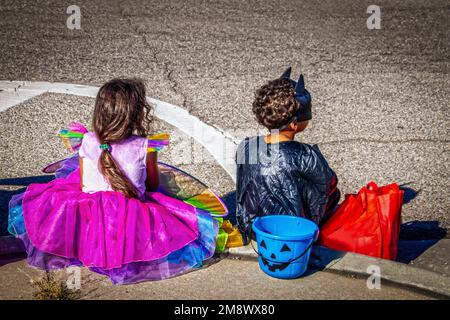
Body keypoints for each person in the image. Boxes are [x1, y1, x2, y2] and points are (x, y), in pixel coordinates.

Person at [8, 78, 219, 285]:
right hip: (130, 218)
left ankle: (83, 247)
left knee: (67, 197)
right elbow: (152, 186)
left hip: (86, 214)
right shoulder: (145, 146)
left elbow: (83, 185)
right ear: (136, 115)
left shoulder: (87, 140)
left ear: (100, 113)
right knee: (176, 214)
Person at [235, 68, 340, 243]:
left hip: (254, 229)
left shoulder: (247, 146)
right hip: (293, 233)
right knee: (331, 191)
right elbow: (328, 187)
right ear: (293, 124)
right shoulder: (306, 155)